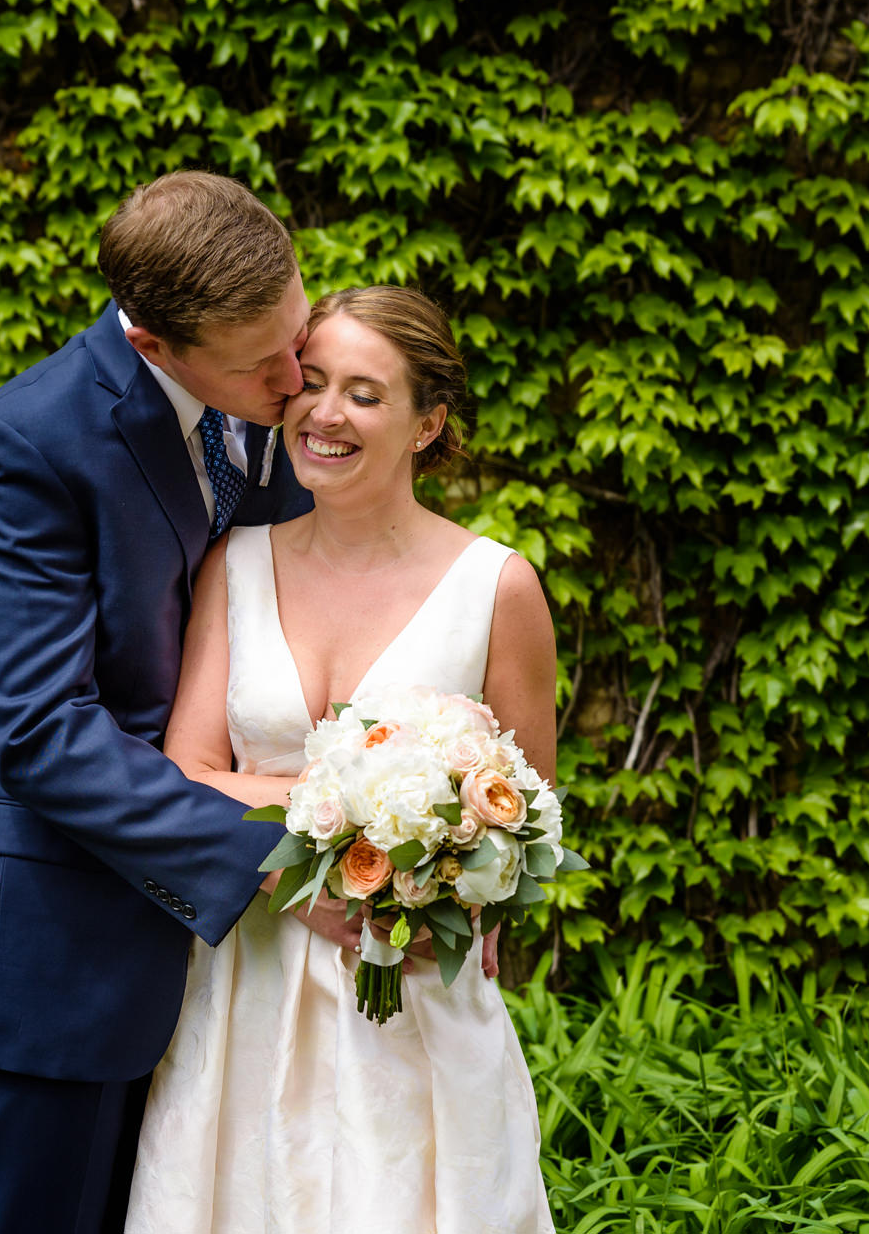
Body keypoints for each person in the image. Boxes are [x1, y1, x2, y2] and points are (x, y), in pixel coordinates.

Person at [0, 172, 363, 1233]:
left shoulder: (277, 402)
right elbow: (42, 739)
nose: (299, 380)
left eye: (298, 331)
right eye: (263, 363)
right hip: (73, 951)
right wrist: (276, 851)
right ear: (154, 347)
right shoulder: (25, 444)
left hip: (248, 993)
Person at [125, 285, 561, 1233]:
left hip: (409, 996)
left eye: (365, 393)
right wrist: (347, 808)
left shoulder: (498, 587)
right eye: (311, 382)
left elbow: (530, 816)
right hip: (249, 977)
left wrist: (446, 872)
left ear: (426, 423)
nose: (325, 413)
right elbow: (184, 771)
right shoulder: (233, 562)